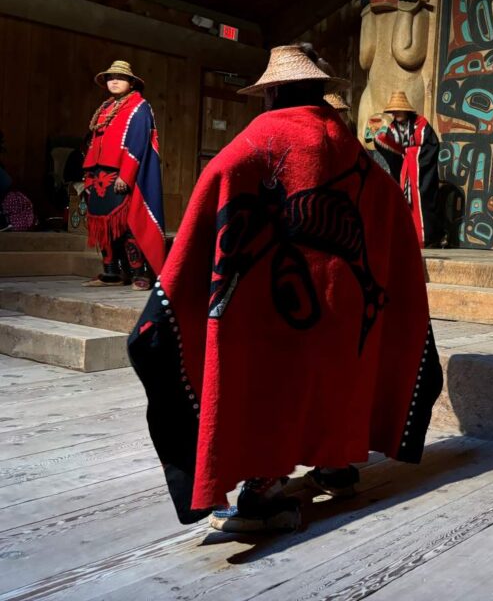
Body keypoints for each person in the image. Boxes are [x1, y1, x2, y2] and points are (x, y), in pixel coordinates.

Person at [127, 43, 442, 533]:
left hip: (276, 305)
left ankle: (265, 488)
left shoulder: (256, 143)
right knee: (338, 370)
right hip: (345, 305)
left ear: (272, 92)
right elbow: (395, 226)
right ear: (320, 92)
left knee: (271, 382)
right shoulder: (359, 157)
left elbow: (215, 197)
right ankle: (335, 464)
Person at [82, 60, 165, 289]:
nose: (114, 81)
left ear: (131, 83)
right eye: (110, 78)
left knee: (128, 225)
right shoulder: (106, 108)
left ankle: (140, 272)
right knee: (103, 225)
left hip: (121, 176)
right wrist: (89, 176)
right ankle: (112, 272)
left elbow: (137, 143)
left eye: (120, 78)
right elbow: (94, 144)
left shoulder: (139, 107)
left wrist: (125, 176)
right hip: (99, 177)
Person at [373, 91, 442, 247]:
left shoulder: (421, 124)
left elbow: (432, 146)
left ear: (406, 110)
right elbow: (394, 152)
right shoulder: (391, 128)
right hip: (405, 174)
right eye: (394, 111)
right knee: (402, 201)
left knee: (424, 199)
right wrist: (379, 139)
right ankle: (408, 238)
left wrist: (412, 153)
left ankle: (429, 238)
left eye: (399, 110)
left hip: (422, 173)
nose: (396, 114)